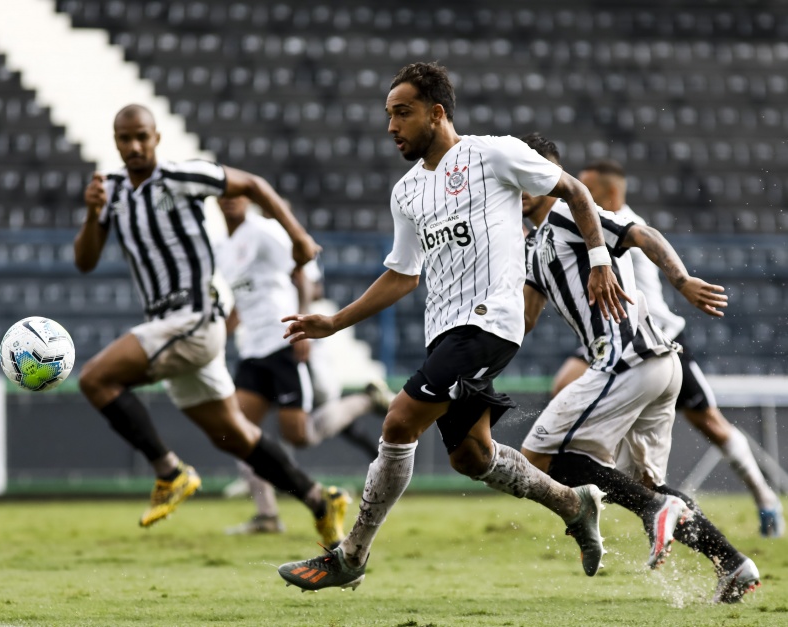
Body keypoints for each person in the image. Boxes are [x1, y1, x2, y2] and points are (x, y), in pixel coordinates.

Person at [276, 62, 632, 592]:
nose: (391, 126)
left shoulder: (494, 153)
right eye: (388, 115)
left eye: (403, 113)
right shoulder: (406, 193)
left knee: (398, 422)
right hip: (446, 332)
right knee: (472, 457)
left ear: (436, 113)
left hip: (490, 324)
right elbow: (401, 276)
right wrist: (335, 321)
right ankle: (572, 502)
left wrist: (600, 259)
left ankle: (351, 555)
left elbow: (576, 191)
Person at [73, 104, 349, 547]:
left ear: (157, 137)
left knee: (95, 379)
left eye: (142, 136)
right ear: (116, 142)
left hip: (194, 319)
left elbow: (253, 184)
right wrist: (90, 214)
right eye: (125, 139)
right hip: (169, 330)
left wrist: (297, 235)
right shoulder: (111, 192)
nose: (135, 146)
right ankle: (320, 500)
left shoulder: (181, 176)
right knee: (234, 436)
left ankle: (169, 472)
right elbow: (84, 262)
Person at [518, 133, 760, 603]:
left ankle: (655, 509)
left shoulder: (570, 214)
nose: (522, 187)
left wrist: (682, 279)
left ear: (553, 177)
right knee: (643, 484)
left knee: (539, 458)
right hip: (657, 363)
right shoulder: (535, 245)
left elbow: (640, 233)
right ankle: (732, 563)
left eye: (534, 176)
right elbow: (523, 321)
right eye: (516, 177)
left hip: (628, 358)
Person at [550, 159, 784, 539]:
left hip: (658, 340)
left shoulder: (617, 220)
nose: (578, 195)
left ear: (609, 193)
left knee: (711, 424)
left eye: (587, 189)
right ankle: (614, 481)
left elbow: (644, 238)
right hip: (613, 340)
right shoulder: (580, 221)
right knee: (564, 385)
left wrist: (683, 279)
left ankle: (765, 498)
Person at [214, 195, 393, 534]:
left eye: (236, 193)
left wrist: (305, 330)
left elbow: (303, 270)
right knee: (236, 432)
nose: (229, 201)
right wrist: (219, 335)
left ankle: (367, 399)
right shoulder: (224, 248)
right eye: (223, 194)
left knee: (300, 436)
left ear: (248, 197)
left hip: (283, 343)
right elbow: (242, 298)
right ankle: (267, 515)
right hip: (253, 350)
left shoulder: (265, 230)